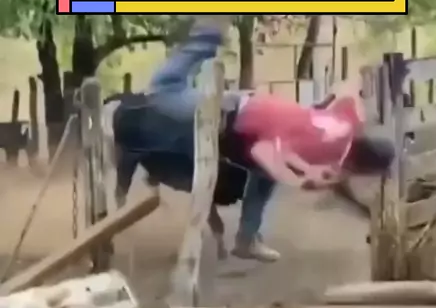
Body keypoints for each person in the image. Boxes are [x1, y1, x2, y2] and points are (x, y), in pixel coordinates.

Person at [112, 24, 395, 261]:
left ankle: (246, 238)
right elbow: (265, 152)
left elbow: (345, 92)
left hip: (245, 112)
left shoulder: (348, 124)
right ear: (359, 166)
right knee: (164, 89)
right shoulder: (321, 154)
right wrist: (296, 176)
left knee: (264, 177)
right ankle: (207, 36)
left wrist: (322, 115)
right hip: (235, 119)